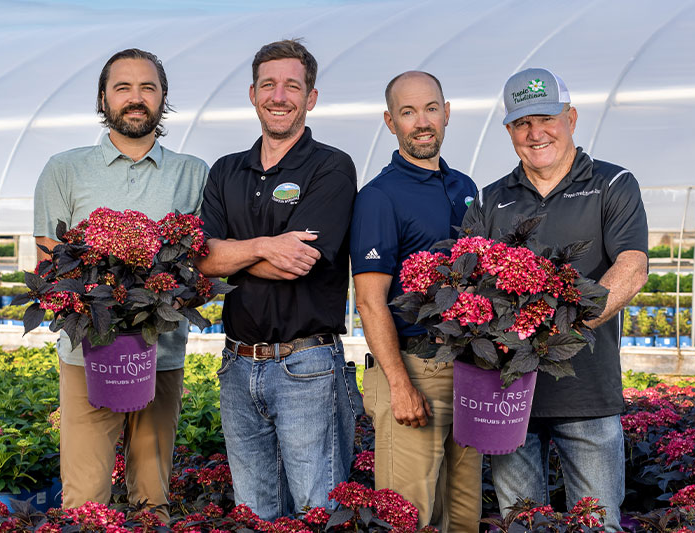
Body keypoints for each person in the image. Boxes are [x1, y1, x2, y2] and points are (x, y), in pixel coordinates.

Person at [462, 67, 648, 531]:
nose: (536, 132)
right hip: (508, 396)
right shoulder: (490, 199)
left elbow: (632, 269)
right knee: (523, 525)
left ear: (572, 118)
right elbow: (466, 283)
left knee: (598, 524)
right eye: (522, 123)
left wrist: (555, 333)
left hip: (587, 395)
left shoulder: (612, 184)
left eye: (547, 118)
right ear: (509, 131)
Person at [33, 48, 209, 520]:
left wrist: (155, 297)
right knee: (85, 500)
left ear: (163, 97)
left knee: (153, 497)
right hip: (87, 355)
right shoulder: (64, 169)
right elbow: (49, 265)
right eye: (123, 87)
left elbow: (202, 265)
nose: (136, 98)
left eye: (148, 87)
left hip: (161, 353)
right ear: (103, 98)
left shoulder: (193, 173)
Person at [195, 39, 362, 520]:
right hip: (237, 365)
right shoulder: (226, 170)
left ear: (311, 97)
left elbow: (299, 262)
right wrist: (268, 245)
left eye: (292, 85)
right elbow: (202, 260)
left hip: (306, 366)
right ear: (253, 94)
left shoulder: (331, 166)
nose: (279, 96)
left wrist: (231, 253)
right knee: (254, 513)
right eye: (268, 84)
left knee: (317, 511)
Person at [350, 71, 481, 531]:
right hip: (414, 371)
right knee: (409, 518)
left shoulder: (465, 187)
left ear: (447, 113)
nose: (422, 122)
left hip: (468, 371)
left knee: (464, 515)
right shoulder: (379, 197)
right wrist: (400, 386)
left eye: (430, 109)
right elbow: (370, 301)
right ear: (391, 122)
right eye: (407, 112)